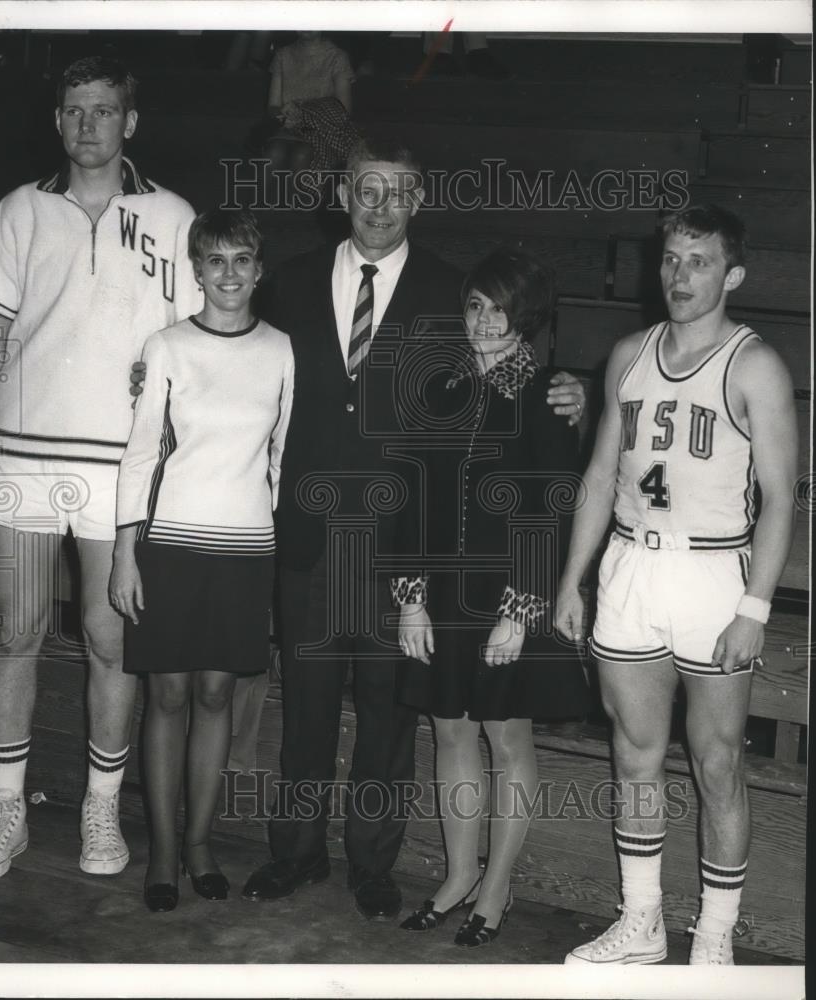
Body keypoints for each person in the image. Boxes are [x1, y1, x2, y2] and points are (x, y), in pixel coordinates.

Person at [238, 135, 587, 920]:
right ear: (342, 193)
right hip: (311, 533)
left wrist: (576, 392)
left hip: (404, 545)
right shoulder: (289, 284)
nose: (379, 205)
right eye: (366, 189)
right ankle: (293, 854)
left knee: (392, 718)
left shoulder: (446, 289)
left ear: (418, 201)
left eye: (397, 192)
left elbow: (521, 360)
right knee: (308, 705)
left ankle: (372, 866)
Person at [0, 56, 201, 883]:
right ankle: (6, 814)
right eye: (73, 110)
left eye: (103, 110)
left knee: (107, 640)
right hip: (24, 459)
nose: (87, 124)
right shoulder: (20, 210)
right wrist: (5, 420)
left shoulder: (173, 217)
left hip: (118, 470)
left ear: (130, 121)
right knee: (14, 633)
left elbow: (194, 345)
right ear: (57, 121)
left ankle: (100, 813)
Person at [554, 204, 797, 965]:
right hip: (630, 567)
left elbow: (783, 497)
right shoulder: (627, 354)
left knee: (716, 759)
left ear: (731, 275)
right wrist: (572, 580)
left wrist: (754, 607)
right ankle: (641, 923)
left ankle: (716, 939)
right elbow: (597, 477)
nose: (678, 275)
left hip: (711, 574)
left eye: (697, 262)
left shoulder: (754, 364)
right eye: (670, 259)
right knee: (633, 753)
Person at [395, 248, 591, 946]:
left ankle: (496, 887)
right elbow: (410, 498)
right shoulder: (440, 388)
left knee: (505, 737)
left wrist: (519, 612)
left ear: (524, 316)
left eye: (498, 308)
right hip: (441, 591)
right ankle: (456, 875)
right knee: (447, 726)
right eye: (474, 305)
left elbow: (549, 510)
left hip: (509, 595)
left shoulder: (543, 393)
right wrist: (411, 599)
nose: (483, 320)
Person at [110, 209, 294, 912]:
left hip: (245, 550)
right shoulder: (167, 347)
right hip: (171, 546)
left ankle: (199, 844)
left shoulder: (281, 349)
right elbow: (140, 454)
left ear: (258, 268)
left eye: (241, 260)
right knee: (167, 696)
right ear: (195, 269)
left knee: (217, 695)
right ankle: (160, 852)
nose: (228, 275)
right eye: (214, 261)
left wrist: (274, 556)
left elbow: (280, 457)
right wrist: (126, 552)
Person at [261, 31, 359, 173]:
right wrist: (283, 115)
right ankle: (259, 195)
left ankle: (300, 195)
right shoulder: (283, 55)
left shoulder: (337, 57)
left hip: (323, 131)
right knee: (274, 152)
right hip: (289, 128)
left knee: (302, 155)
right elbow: (273, 106)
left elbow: (344, 110)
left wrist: (304, 112)